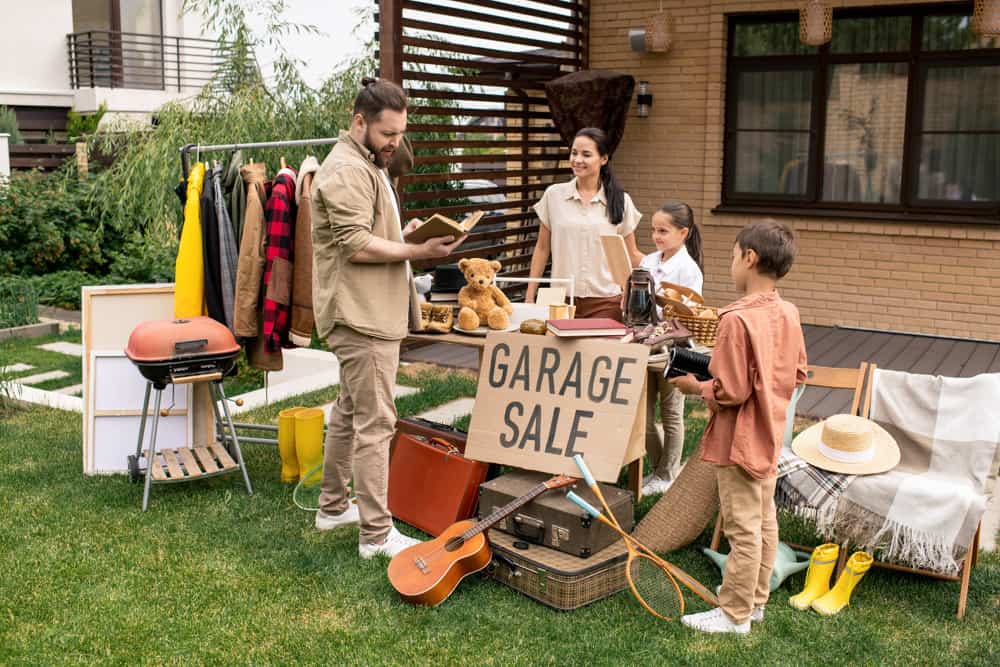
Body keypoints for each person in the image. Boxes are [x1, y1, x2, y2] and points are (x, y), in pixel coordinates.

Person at [310, 77, 464, 559]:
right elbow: (355, 245)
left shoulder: (367, 162)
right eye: (388, 133)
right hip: (360, 316)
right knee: (377, 423)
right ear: (359, 122)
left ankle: (333, 507)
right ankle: (376, 535)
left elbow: (370, 229)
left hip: (367, 311)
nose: (396, 143)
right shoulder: (345, 171)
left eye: (400, 132)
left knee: (351, 412)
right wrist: (417, 249)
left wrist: (406, 230)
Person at [669, 220, 807, 635]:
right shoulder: (789, 311)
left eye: (733, 256)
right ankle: (754, 602)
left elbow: (730, 390)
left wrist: (695, 386)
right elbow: (797, 371)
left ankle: (733, 615)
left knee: (742, 530)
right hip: (771, 433)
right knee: (764, 523)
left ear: (749, 258)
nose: (731, 264)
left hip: (738, 440)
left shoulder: (734, 319)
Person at [525, 127, 644, 320]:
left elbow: (630, 254)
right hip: (559, 301)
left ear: (603, 159)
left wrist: (665, 265)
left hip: (606, 302)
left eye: (586, 154)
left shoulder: (621, 201)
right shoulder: (553, 195)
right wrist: (530, 296)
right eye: (574, 153)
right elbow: (541, 249)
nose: (577, 160)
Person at [639, 201, 704, 496]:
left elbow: (689, 317)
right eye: (654, 230)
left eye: (663, 231)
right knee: (643, 412)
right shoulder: (648, 262)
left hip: (673, 347)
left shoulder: (689, 270)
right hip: (645, 342)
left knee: (671, 411)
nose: (656, 236)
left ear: (683, 233)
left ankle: (666, 475)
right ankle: (659, 470)